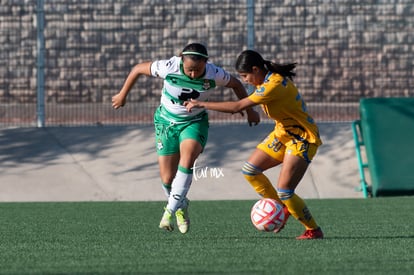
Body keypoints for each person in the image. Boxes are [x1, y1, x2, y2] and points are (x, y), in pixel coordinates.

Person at [112, 43, 260, 234]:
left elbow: (237, 84)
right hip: (165, 122)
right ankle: (181, 206)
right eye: (189, 70)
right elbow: (138, 69)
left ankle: (169, 212)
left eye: (197, 70)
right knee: (167, 179)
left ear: (206, 63)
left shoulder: (214, 73)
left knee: (188, 158)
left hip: (194, 121)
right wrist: (122, 95)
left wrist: (250, 111)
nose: (192, 74)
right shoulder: (169, 67)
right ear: (182, 60)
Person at [184, 49, 324, 239]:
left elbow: (237, 107)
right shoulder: (266, 79)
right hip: (283, 133)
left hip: (302, 139)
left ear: (256, 69)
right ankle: (282, 208)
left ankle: (313, 230)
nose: (244, 80)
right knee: (250, 170)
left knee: (285, 190)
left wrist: (202, 104)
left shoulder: (272, 86)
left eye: (245, 75)